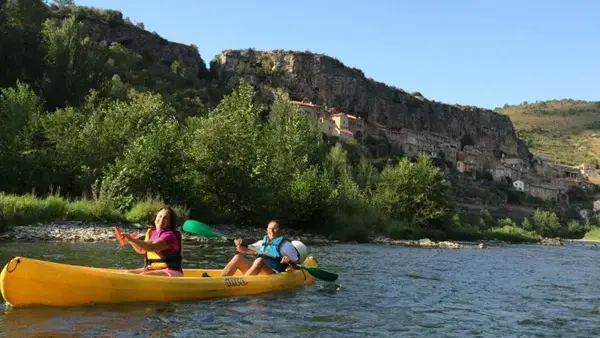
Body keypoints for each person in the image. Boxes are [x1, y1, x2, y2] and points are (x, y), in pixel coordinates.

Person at [118, 206, 184, 277]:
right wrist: (130, 241)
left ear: (170, 222)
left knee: (143, 275)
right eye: (160, 216)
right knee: (126, 273)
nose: (161, 220)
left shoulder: (169, 236)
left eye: (165, 218)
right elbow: (141, 250)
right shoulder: (151, 233)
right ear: (155, 218)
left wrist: (132, 239)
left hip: (171, 271)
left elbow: (151, 247)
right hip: (153, 270)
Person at [219, 219, 300, 277]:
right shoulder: (262, 242)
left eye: (274, 228)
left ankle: (243, 283)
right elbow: (245, 250)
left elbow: (297, 265)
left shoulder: (286, 246)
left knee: (259, 260)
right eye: (269, 228)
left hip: (273, 273)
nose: (271, 231)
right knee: (237, 257)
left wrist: (288, 262)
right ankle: (221, 281)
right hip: (257, 269)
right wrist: (239, 245)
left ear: (280, 230)